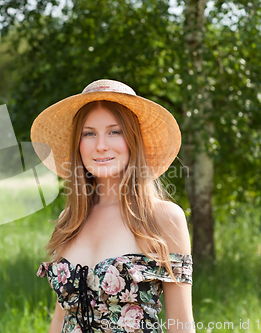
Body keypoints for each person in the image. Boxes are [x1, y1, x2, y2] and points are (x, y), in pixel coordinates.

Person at [31, 79, 195, 333]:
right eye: (89, 133)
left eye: (114, 131)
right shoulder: (70, 219)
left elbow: (181, 326)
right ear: (78, 144)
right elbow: (60, 319)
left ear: (132, 140)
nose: (101, 145)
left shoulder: (163, 218)